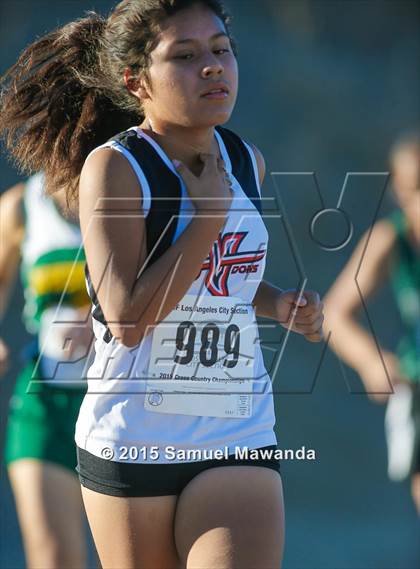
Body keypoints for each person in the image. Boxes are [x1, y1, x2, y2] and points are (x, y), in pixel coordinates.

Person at [0, 1, 325, 567]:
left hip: (236, 427)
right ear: (136, 81)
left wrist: (279, 303)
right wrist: (204, 218)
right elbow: (126, 320)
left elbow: (222, 280)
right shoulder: (116, 168)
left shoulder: (247, 160)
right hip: (133, 437)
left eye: (221, 49)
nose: (212, 67)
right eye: (186, 55)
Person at [322, 132, 420, 516]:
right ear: (399, 190)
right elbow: (334, 313)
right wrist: (371, 360)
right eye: (416, 189)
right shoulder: (391, 239)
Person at [0, 173, 93, 568]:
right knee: (53, 559)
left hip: (125, 405)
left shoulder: (134, 189)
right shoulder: (22, 204)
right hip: (44, 404)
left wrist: (103, 319)